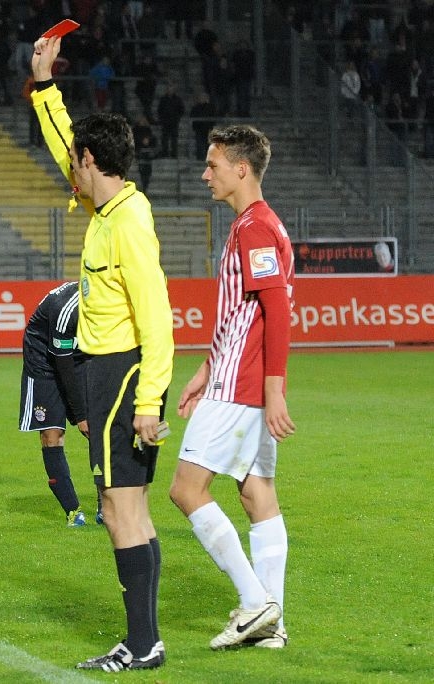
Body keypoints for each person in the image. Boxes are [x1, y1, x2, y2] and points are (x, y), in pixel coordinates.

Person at [32, 35, 174, 672]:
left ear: (92, 161)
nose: (70, 170)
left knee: (119, 509)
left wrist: (147, 404)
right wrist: (44, 89)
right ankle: (145, 641)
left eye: (77, 162)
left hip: (122, 375)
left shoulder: (129, 224)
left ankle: (140, 643)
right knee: (131, 509)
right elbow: (67, 144)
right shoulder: (109, 205)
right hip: (111, 372)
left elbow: (159, 320)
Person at [170, 124, 295, 652]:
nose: (206, 174)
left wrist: (272, 390)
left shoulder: (254, 229)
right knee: (256, 493)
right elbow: (244, 314)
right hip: (233, 377)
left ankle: (255, 602)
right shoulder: (260, 225)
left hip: (240, 385)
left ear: (240, 169)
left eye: (213, 164)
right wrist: (204, 367)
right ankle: (274, 625)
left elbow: (277, 312)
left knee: (185, 489)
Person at [19, 281, 101, 527]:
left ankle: (105, 506)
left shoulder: (116, 304)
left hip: (83, 356)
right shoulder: (66, 308)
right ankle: (73, 512)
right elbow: (63, 364)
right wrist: (80, 415)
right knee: (52, 435)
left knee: (99, 432)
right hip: (44, 360)